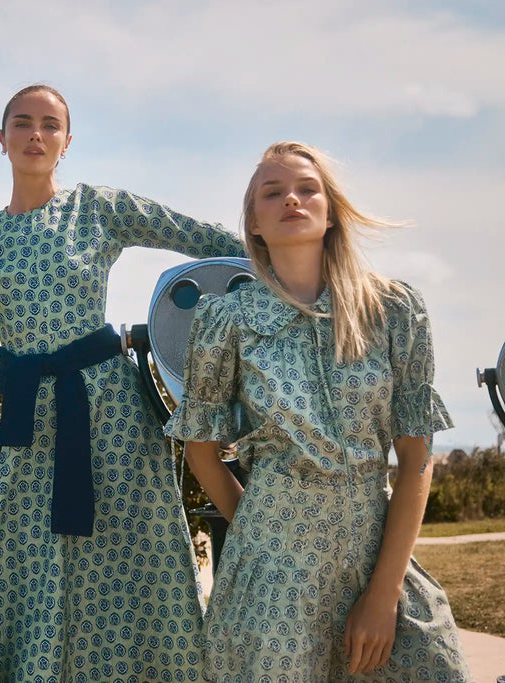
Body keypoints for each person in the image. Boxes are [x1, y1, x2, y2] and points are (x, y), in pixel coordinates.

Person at [0, 83, 245, 682]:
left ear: (66, 142)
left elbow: (203, 239)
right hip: (28, 428)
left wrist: (285, 263)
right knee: (31, 568)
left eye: (49, 124)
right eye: (22, 122)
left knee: (130, 564)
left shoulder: (96, 207)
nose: (36, 133)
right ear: (2, 138)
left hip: (111, 414)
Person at [163, 141, 472, 681]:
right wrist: (262, 531)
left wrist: (384, 592)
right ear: (253, 223)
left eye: (308, 189)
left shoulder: (394, 310)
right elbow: (202, 453)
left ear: (330, 211)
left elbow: (416, 456)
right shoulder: (224, 321)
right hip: (270, 574)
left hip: (375, 552)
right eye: (272, 192)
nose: (292, 199)